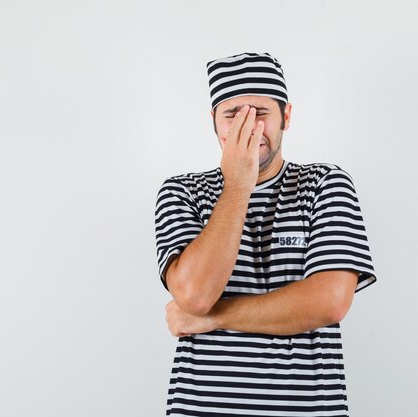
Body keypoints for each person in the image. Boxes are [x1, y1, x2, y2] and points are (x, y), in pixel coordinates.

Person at [154, 52, 377, 417]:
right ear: (214, 122)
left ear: (286, 116)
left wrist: (215, 318)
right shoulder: (183, 192)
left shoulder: (325, 185)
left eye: (260, 112)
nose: (249, 126)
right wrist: (239, 185)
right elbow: (195, 296)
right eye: (232, 115)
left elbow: (330, 301)